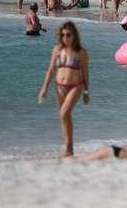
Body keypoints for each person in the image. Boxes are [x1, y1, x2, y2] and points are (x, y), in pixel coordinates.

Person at [38, 21, 89, 157]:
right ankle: (69, 149)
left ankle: (68, 147)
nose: (65, 38)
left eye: (68, 35)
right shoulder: (57, 50)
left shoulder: (81, 52)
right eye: (63, 35)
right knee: (65, 118)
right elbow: (51, 70)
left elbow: (85, 72)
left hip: (75, 86)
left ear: (74, 36)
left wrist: (86, 91)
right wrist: (44, 89)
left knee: (64, 114)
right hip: (59, 87)